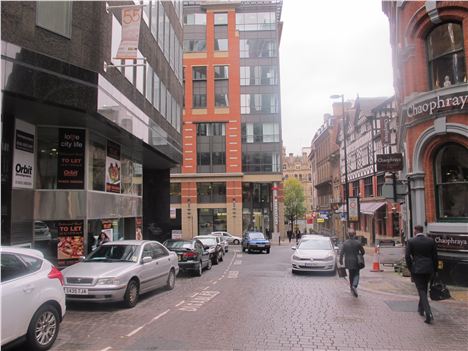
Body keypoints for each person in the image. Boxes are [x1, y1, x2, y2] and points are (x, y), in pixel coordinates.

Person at [405, 225, 438, 324]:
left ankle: (428, 313)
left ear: (415, 231)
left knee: (422, 290)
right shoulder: (430, 241)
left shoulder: (411, 241)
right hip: (429, 268)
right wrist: (434, 269)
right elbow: (435, 256)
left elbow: (407, 257)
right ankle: (420, 308)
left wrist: (411, 268)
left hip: (417, 269)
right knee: (424, 288)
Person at [339, 229, 365, 297]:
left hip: (348, 261)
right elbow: (363, 252)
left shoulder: (345, 243)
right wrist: (360, 254)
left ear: (348, 235)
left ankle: (351, 287)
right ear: (355, 234)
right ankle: (354, 286)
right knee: (356, 274)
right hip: (356, 261)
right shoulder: (358, 242)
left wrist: (340, 260)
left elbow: (341, 253)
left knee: (351, 274)